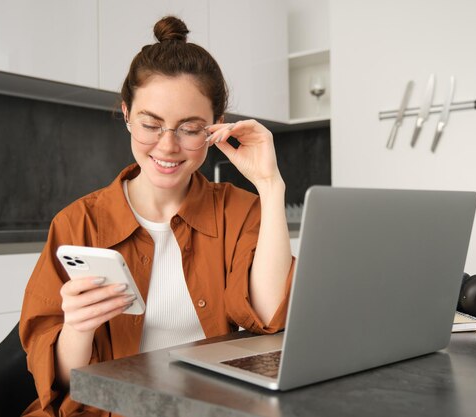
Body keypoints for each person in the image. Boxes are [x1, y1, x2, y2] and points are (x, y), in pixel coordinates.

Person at [19, 15, 294, 416]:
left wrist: (270, 185)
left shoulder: (239, 210)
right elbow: (61, 382)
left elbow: (271, 320)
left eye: (190, 128)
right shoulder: (78, 223)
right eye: (151, 124)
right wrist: (78, 327)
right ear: (127, 114)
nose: (167, 147)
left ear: (216, 127)